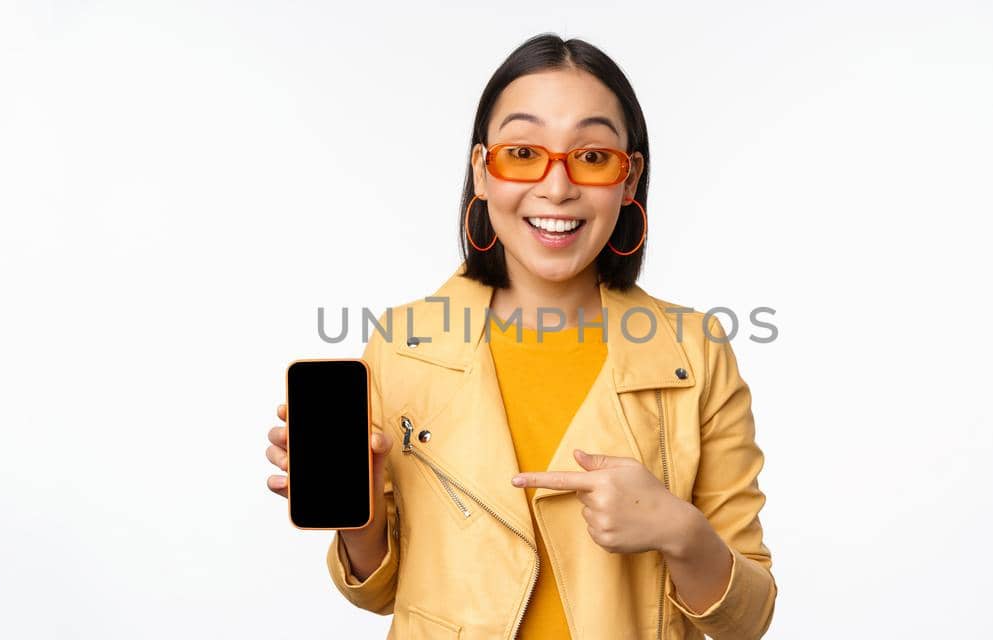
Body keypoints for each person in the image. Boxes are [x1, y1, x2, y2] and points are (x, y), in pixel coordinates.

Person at [266, 33, 776, 639]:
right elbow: (379, 591)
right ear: (482, 171)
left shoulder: (697, 352)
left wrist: (679, 531)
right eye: (523, 153)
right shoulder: (401, 345)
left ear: (629, 179)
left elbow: (748, 619)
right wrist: (361, 518)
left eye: (591, 157)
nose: (556, 188)